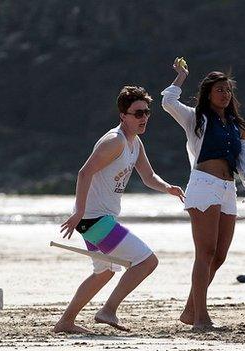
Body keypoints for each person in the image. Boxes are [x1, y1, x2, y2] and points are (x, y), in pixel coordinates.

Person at [53, 86, 185, 333]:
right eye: (137, 113)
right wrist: (79, 211)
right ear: (123, 115)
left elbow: (148, 176)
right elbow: (84, 173)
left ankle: (65, 322)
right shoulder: (115, 141)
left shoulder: (136, 143)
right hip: (93, 220)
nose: (144, 117)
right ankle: (108, 311)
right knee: (146, 261)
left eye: (146, 112)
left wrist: (168, 188)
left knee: (103, 273)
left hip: (98, 219)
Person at [161, 58, 245, 330]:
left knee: (219, 256)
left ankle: (191, 311)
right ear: (208, 94)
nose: (225, 95)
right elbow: (168, 102)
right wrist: (181, 76)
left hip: (228, 189)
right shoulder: (196, 118)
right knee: (205, 252)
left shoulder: (238, 126)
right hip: (203, 185)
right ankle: (201, 318)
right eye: (219, 90)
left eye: (228, 90)